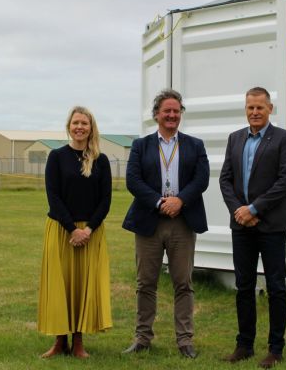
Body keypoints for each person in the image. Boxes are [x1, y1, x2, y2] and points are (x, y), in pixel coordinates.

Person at [122, 88, 210, 359]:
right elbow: (133, 181)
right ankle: (142, 338)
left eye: (176, 111)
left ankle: (185, 341)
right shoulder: (141, 145)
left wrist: (180, 201)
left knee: (183, 283)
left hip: (182, 222)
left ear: (180, 114)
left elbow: (201, 179)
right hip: (149, 221)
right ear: (156, 115)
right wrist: (160, 202)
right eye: (166, 111)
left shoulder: (195, 145)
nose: (172, 115)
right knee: (145, 283)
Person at [219, 87, 286, 369]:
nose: (254, 112)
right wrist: (239, 211)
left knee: (276, 287)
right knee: (244, 286)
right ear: (246, 108)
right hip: (241, 226)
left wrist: (254, 209)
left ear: (270, 109)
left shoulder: (284, 140)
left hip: (272, 227)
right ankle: (244, 345)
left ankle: (276, 348)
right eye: (250, 108)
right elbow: (225, 180)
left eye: (260, 108)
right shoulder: (235, 138)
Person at [37, 106, 112, 358]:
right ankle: (60, 341)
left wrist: (88, 229)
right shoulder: (56, 157)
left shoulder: (101, 160)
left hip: (91, 232)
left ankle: (78, 342)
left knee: (81, 286)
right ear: (69, 126)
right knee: (61, 286)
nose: (79, 127)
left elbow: (105, 200)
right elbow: (53, 196)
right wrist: (72, 229)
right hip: (61, 230)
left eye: (84, 123)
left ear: (91, 128)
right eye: (75, 122)